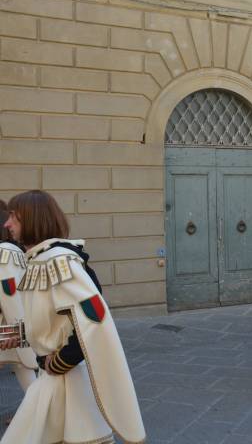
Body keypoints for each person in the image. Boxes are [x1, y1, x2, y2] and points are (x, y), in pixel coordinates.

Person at [0, 190, 145, 444]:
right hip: (54, 379)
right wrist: (19, 334)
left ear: (32, 219)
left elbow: (93, 318)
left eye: (14, 217)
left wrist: (61, 361)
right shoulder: (39, 259)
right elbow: (52, 320)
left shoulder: (58, 261)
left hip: (66, 379)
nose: (7, 224)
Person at [0, 200, 38, 399]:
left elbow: (10, 294)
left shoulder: (5, 251)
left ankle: (38, 414)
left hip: (11, 325)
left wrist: (19, 333)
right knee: (23, 367)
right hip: (13, 326)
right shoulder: (10, 249)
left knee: (24, 365)